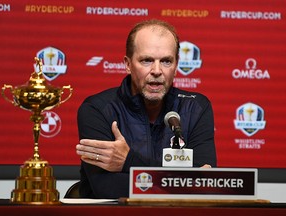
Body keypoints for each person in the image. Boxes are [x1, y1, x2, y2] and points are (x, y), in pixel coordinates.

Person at [76, 19, 217, 199]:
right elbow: (107, 188)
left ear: (176, 66)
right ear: (127, 64)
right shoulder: (97, 110)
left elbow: (203, 185)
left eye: (166, 61)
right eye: (147, 60)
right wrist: (182, 179)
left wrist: (128, 162)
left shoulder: (196, 108)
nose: (157, 70)